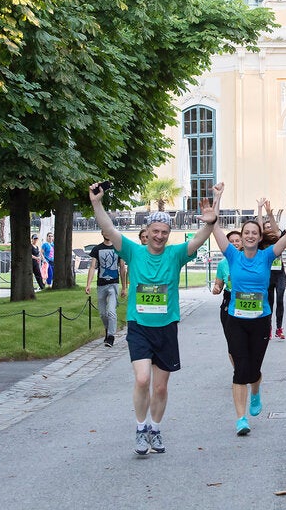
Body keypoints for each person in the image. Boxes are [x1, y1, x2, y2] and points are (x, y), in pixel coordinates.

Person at [89, 181, 218, 456]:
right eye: (155, 231)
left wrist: (209, 223)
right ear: (146, 233)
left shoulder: (174, 255)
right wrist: (96, 203)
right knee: (142, 380)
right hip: (139, 327)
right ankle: (140, 429)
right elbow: (110, 229)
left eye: (164, 232)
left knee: (160, 387)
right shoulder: (133, 252)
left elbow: (197, 240)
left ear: (168, 235)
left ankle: (155, 429)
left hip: (166, 328)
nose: (159, 236)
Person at [211, 183, 286, 436]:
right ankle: (241, 419)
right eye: (246, 232)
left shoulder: (267, 256)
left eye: (254, 232)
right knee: (240, 367)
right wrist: (217, 198)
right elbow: (214, 227)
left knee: (254, 369)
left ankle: (256, 390)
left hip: (260, 320)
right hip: (236, 319)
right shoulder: (231, 255)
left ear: (260, 237)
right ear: (242, 235)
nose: (250, 235)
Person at [86, 233, 126, 347]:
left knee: (111, 311)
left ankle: (111, 337)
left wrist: (124, 287)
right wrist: (88, 284)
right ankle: (108, 330)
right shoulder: (97, 249)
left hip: (113, 284)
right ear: (102, 233)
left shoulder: (118, 248)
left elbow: (122, 267)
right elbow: (93, 266)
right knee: (103, 313)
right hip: (101, 285)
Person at [259, 203, 286, 340]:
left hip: (280, 274)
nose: (270, 229)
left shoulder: (278, 241)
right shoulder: (262, 243)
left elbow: (278, 231)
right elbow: (258, 226)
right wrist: (260, 209)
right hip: (268, 276)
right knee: (269, 302)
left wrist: (270, 215)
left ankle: (279, 328)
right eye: (267, 227)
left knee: (280, 300)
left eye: (271, 227)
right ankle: (268, 328)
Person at [213, 230, 243, 353]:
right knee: (233, 343)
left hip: (246, 301)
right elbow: (218, 285)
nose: (235, 243)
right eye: (231, 242)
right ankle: (238, 371)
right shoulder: (222, 264)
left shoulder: (250, 259)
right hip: (229, 301)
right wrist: (216, 288)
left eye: (237, 241)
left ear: (243, 242)